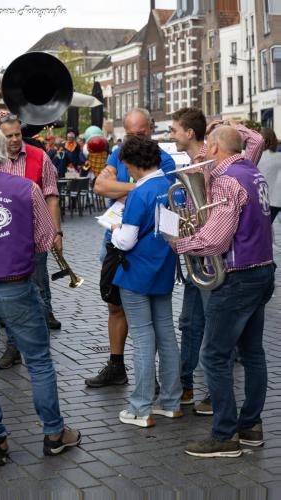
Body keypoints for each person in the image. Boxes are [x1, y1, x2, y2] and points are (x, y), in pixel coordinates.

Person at [0, 124, 81, 466]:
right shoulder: (26, 189)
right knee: (38, 362)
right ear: (2, 150)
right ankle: (53, 434)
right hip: (17, 287)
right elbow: (43, 241)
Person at [168, 126, 274, 457]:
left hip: (238, 276)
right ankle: (250, 426)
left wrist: (179, 241)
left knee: (213, 355)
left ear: (214, 147)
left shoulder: (227, 180)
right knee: (253, 353)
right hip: (263, 270)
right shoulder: (251, 169)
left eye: (208, 146)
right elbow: (253, 140)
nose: (202, 154)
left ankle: (224, 435)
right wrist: (228, 128)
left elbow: (215, 239)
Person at [85, 108, 175, 388]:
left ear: (151, 128)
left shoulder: (164, 158)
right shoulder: (119, 152)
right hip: (114, 239)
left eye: (141, 133)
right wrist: (138, 188)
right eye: (130, 135)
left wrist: (129, 189)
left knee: (146, 319)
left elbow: (160, 192)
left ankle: (149, 380)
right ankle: (116, 365)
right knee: (114, 304)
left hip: (139, 242)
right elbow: (100, 186)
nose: (135, 140)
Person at [110, 136, 182, 427]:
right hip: (164, 267)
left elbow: (125, 241)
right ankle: (171, 401)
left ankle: (141, 407)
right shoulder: (173, 187)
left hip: (137, 272)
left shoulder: (139, 193)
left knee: (142, 337)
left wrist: (115, 227)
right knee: (166, 335)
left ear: (132, 165)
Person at [0, 111, 62, 369]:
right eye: (8, 135)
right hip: (3, 238)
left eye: (17, 134)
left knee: (38, 288)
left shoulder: (39, 156)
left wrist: (57, 232)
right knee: (9, 294)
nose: (14, 140)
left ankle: (38, 342)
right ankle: (13, 347)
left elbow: (52, 195)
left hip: (35, 234)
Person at [258, 128, 281, 223]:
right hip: (277, 198)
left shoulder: (256, 158)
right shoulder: (279, 157)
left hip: (264, 199)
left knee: (263, 229)